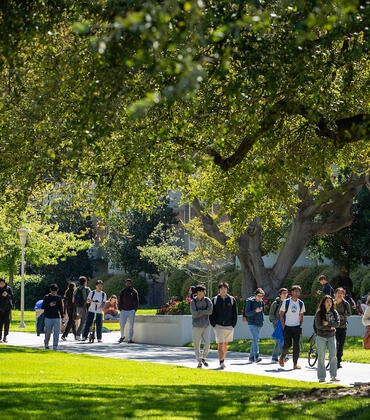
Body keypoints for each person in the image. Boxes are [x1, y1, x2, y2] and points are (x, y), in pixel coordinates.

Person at [209, 282, 238, 369]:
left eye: (225, 289)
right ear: (219, 290)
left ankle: (223, 360)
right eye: (221, 289)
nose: (223, 290)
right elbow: (211, 313)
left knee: (225, 344)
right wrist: (213, 324)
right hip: (218, 326)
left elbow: (235, 313)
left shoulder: (232, 299)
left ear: (227, 290)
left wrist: (233, 324)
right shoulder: (214, 299)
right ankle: (221, 362)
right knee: (220, 343)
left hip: (229, 326)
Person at [314, 295, 340, 382]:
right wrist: (330, 327)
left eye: (330, 302)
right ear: (324, 303)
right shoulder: (319, 313)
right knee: (321, 357)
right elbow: (319, 326)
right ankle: (321, 377)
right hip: (321, 337)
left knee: (333, 355)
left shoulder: (335, 312)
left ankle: (333, 376)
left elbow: (337, 324)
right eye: (327, 302)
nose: (329, 303)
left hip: (331, 337)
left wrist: (327, 323)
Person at [279, 285, 305, 369]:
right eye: (295, 291)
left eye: (298, 291)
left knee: (296, 346)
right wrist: (284, 326)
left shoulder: (301, 303)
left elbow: (301, 316)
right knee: (287, 345)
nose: (297, 293)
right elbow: (281, 315)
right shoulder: (286, 302)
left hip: (296, 327)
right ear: (292, 292)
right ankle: (282, 358)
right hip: (287, 327)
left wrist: (299, 325)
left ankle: (295, 364)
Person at [189, 285, 213, 368]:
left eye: (202, 292)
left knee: (207, 344)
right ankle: (199, 362)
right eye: (199, 292)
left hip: (206, 325)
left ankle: (203, 357)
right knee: (197, 345)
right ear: (196, 293)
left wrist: (200, 311)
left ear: (204, 292)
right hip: (196, 326)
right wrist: (204, 312)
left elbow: (210, 311)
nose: (200, 294)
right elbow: (194, 314)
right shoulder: (193, 302)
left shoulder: (208, 300)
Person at [243, 288, 265, 363]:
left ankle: (251, 357)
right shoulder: (250, 301)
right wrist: (255, 311)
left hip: (259, 322)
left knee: (255, 340)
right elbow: (247, 313)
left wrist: (262, 320)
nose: (260, 298)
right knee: (256, 338)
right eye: (259, 296)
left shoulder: (261, 301)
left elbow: (262, 312)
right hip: (252, 322)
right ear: (255, 295)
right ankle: (256, 356)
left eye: (261, 296)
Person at [41, 283, 64, 350]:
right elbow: (43, 306)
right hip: (48, 317)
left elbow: (61, 308)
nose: (54, 293)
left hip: (56, 317)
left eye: (55, 291)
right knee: (48, 332)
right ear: (50, 290)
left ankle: (55, 346)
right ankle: (46, 343)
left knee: (56, 332)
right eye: (53, 291)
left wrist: (62, 317)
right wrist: (49, 305)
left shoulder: (59, 298)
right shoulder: (47, 297)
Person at [269, 288, 288, 362]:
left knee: (279, 339)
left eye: (286, 293)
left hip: (285, 323)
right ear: (280, 294)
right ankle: (284, 355)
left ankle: (274, 356)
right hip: (277, 324)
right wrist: (276, 322)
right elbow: (271, 315)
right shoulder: (275, 303)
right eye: (283, 293)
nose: (285, 294)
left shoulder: (288, 303)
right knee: (281, 339)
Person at [334, 287, 351, 368]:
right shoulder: (332, 303)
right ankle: (334, 361)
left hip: (343, 327)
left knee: (341, 345)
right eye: (338, 293)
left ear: (343, 294)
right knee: (336, 344)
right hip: (334, 327)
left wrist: (343, 316)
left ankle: (339, 360)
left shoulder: (345, 304)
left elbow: (349, 313)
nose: (340, 295)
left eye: (341, 293)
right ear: (335, 294)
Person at [118, 279, 139, 343]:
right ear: (125, 283)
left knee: (131, 325)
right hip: (123, 310)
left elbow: (137, 301)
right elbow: (120, 300)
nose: (128, 284)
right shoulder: (123, 291)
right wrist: (120, 309)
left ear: (131, 284)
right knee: (122, 324)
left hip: (131, 311)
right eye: (127, 283)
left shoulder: (134, 291)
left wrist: (135, 309)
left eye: (129, 283)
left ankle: (130, 339)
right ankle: (122, 336)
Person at [73, 276, 91, 340]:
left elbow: (73, 299)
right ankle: (79, 335)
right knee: (84, 321)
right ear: (85, 282)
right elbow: (90, 298)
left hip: (78, 307)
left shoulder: (76, 289)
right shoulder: (87, 289)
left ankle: (83, 334)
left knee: (83, 320)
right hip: (84, 306)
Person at [0, 278, 14, 343]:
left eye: (2, 283)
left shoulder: (8, 288)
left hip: (7, 309)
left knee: (6, 323)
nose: (1, 285)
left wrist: (7, 295)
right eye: (0, 283)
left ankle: (5, 337)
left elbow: (12, 297)